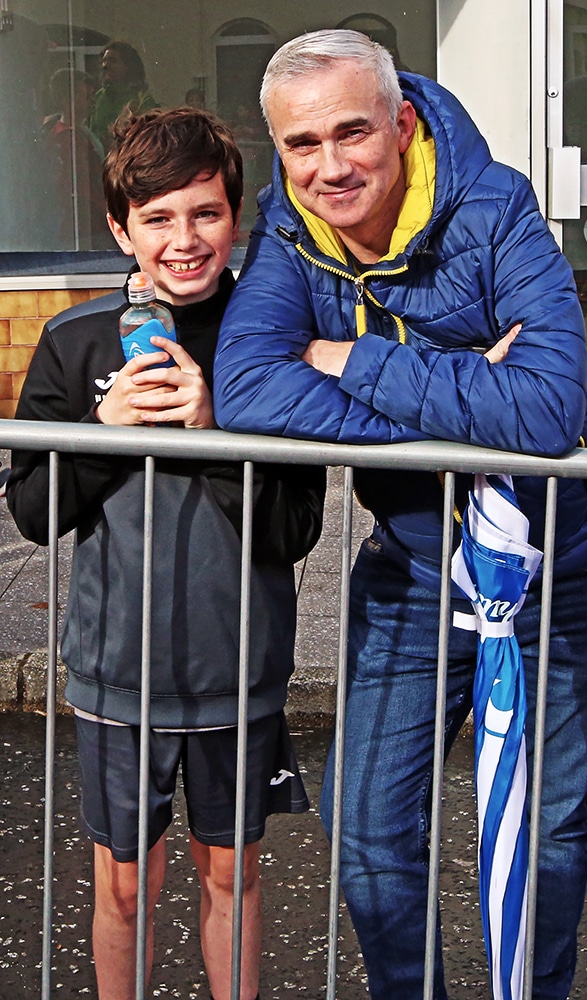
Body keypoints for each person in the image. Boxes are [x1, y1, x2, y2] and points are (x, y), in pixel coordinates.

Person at [212, 29, 587, 1000]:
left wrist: (347, 359)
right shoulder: (288, 229)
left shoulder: (493, 207)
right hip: (415, 561)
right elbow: (245, 391)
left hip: (569, 565)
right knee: (365, 830)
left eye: (351, 133)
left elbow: (540, 408)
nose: (328, 166)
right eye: (300, 144)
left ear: (401, 124)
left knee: (545, 823)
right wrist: (460, 388)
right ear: (276, 150)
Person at [7, 106, 325, 1000]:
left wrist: (211, 428)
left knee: (233, 876)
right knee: (123, 883)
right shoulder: (75, 342)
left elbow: (297, 530)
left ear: (234, 219)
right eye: (157, 218)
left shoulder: (269, 344)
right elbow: (33, 513)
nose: (183, 240)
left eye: (205, 213)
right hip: (118, 675)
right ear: (121, 227)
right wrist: (102, 433)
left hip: (238, 672)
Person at [42, 68, 112, 250]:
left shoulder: (83, 132)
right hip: (85, 222)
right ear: (67, 99)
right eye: (85, 97)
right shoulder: (66, 138)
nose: (91, 103)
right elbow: (83, 184)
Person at [88, 40, 158, 151]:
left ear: (127, 66)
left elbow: (147, 137)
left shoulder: (142, 98)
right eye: (104, 60)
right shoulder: (98, 97)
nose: (105, 65)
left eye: (113, 61)